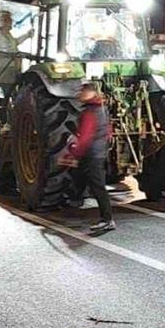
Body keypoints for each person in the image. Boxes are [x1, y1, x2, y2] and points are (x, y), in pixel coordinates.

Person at [61, 81, 115, 232]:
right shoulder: (102, 108)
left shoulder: (90, 112)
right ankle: (75, 202)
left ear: (91, 93)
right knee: (81, 177)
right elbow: (108, 130)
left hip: (92, 154)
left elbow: (85, 137)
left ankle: (107, 219)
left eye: (84, 91)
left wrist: (73, 152)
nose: (80, 94)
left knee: (98, 187)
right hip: (98, 153)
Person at [0, 10, 34, 132]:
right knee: (5, 94)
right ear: (2, 21)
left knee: (14, 94)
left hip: (14, 68)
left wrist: (27, 35)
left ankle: (11, 121)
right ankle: (4, 122)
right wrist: (14, 55)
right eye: (7, 20)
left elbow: (15, 43)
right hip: (5, 69)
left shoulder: (8, 35)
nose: (10, 22)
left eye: (10, 20)